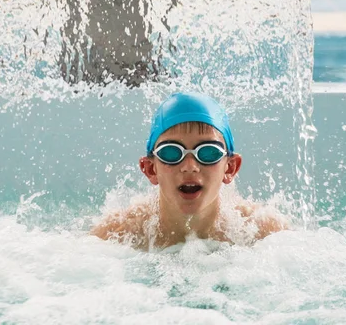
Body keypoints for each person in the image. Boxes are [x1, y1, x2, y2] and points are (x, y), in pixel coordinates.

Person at [91, 92, 288, 250]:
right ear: (151, 169)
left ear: (230, 167)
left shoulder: (263, 230)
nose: (190, 166)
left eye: (208, 152)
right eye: (171, 152)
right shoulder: (118, 234)